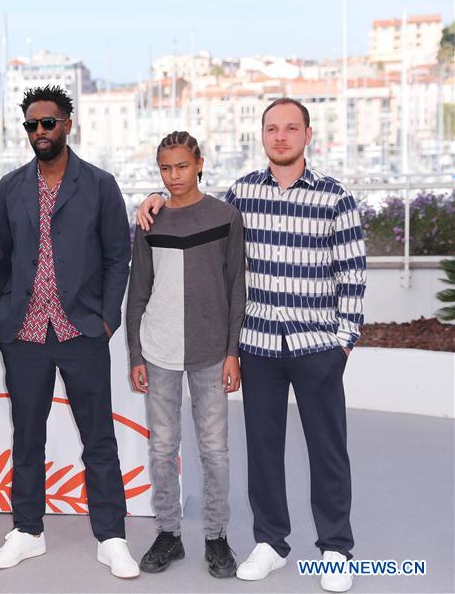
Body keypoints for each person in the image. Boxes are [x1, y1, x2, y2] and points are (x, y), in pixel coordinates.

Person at [136, 98, 366, 593]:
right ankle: (272, 543)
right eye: (271, 129)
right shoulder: (240, 195)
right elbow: (192, 206)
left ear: (308, 134)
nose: (280, 137)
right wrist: (155, 196)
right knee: (263, 449)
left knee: (327, 450)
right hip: (258, 343)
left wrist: (343, 343)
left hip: (316, 346)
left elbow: (352, 273)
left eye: (290, 128)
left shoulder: (334, 197)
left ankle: (335, 550)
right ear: (262, 136)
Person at [0, 85, 139, 579]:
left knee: (98, 438)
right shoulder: (10, 187)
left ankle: (111, 536)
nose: (39, 132)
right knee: (26, 437)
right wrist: (2, 315)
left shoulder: (99, 184)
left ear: (67, 125)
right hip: (24, 334)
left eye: (47, 123)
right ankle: (27, 531)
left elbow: (119, 256)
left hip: (82, 332)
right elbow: (0, 258)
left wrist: (107, 318)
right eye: (31, 125)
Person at [126, 131, 244, 578]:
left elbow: (237, 287)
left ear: (199, 163)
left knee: (215, 450)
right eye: (165, 169)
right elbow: (138, 292)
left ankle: (216, 537)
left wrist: (233, 351)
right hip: (157, 350)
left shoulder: (226, 217)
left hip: (212, 351)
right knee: (161, 448)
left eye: (181, 166)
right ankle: (169, 534)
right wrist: (136, 353)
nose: (173, 176)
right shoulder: (150, 222)